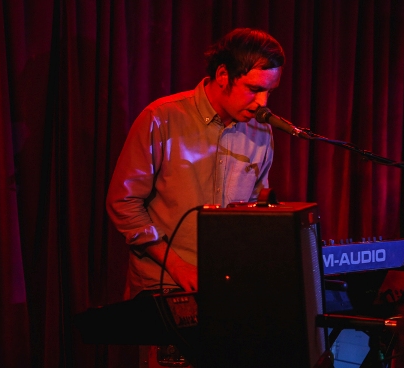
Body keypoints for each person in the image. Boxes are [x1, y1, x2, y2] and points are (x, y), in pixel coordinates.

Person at [106, 27, 286, 300]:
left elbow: (253, 212)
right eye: (254, 89)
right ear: (223, 75)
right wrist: (177, 266)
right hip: (163, 285)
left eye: (269, 92)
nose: (262, 102)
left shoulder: (260, 132)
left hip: (225, 286)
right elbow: (124, 203)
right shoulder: (161, 118)